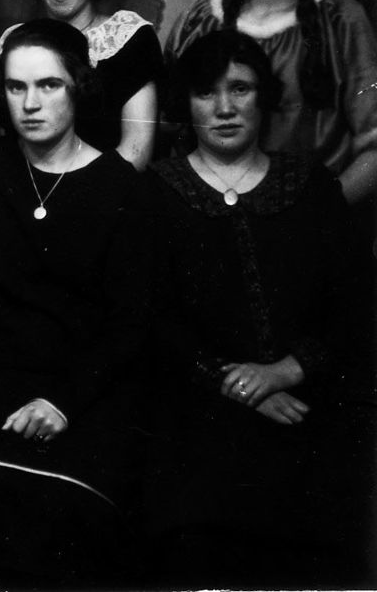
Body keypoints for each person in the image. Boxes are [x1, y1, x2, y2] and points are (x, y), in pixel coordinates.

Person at [145, 30, 366, 589]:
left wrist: (286, 371)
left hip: (307, 404)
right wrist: (236, 384)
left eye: (240, 89)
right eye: (206, 92)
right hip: (195, 411)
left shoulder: (311, 186)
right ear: (186, 103)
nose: (224, 108)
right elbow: (148, 318)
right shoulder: (154, 194)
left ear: (263, 96)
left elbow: (356, 303)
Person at [0, 19, 151, 588]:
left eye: (49, 85)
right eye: (16, 87)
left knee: (60, 534)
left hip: (86, 394)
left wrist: (63, 401)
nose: (30, 104)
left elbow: (131, 324)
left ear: (78, 86)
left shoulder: (121, 186)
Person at [166, 0, 377, 205]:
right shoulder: (197, 22)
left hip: (313, 218)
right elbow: (168, 134)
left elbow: (374, 146)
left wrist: (321, 213)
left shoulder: (341, 21)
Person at [1, 0, 160, 170]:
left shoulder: (130, 39)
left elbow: (137, 150)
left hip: (110, 189)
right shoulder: (15, 44)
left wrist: (72, 190)